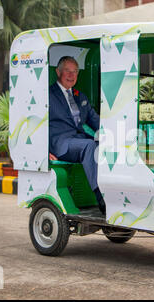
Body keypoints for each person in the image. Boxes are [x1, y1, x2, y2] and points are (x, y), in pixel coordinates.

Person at [49, 56, 105, 214]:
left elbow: (96, 121)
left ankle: (117, 190)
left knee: (108, 147)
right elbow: (37, 125)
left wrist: (115, 133)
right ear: (58, 72)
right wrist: (43, 150)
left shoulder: (81, 96)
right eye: (67, 71)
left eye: (75, 72)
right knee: (90, 146)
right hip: (61, 144)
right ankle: (101, 197)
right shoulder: (48, 95)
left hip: (79, 141)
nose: (71, 75)